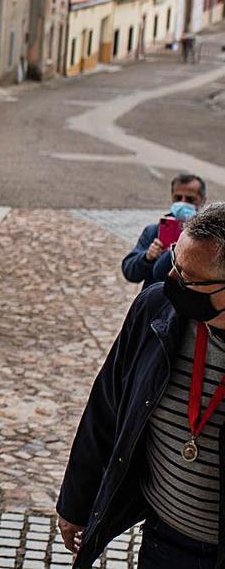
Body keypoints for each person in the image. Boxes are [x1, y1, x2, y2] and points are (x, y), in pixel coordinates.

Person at [59, 203, 225, 568]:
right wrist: (77, 503)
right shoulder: (156, 309)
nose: (171, 280)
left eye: (188, 277)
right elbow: (106, 407)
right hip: (164, 539)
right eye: (174, 262)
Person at [123, 173, 207, 288]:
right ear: (172, 197)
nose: (183, 203)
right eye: (178, 198)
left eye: (190, 199)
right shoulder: (154, 231)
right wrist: (147, 257)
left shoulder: (208, 237)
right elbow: (130, 273)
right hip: (156, 301)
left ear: (203, 201)